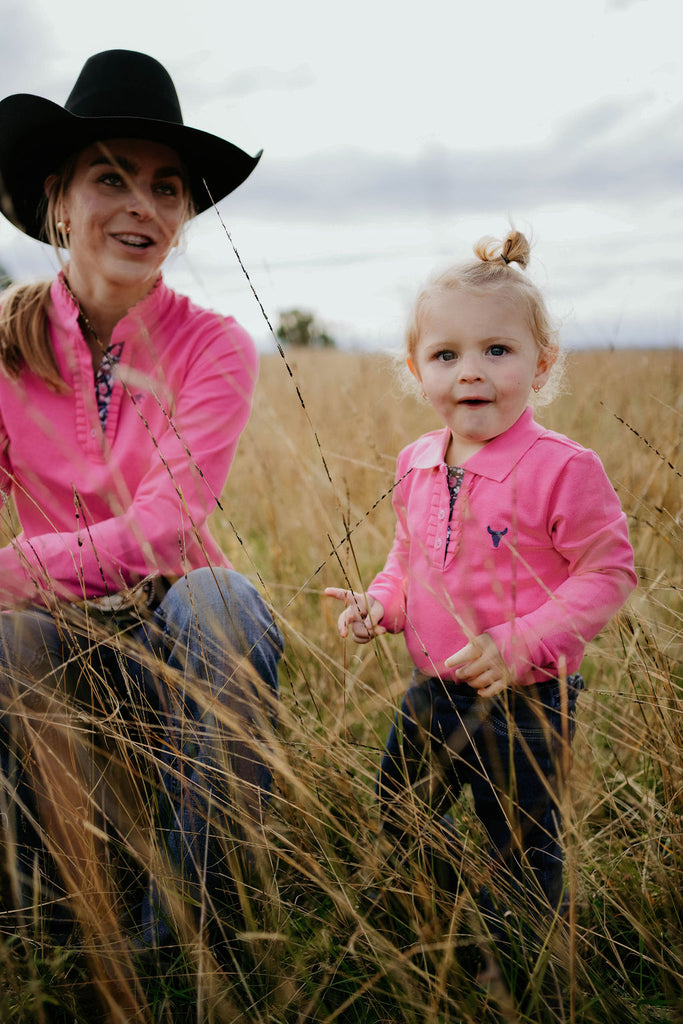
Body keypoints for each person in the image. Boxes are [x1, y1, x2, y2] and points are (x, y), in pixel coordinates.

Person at [0, 49, 282, 1015]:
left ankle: (205, 919)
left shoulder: (215, 346)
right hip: (54, 636)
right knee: (12, 637)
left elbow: (164, 533)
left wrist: (8, 567)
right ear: (58, 200)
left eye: (166, 187)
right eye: (110, 176)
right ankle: (42, 904)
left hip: (171, 631)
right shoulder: (3, 345)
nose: (142, 206)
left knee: (222, 599)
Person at [326, 230, 636, 985]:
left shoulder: (562, 468)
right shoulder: (417, 461)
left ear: (541, 363)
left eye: (497, 351)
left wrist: (522, 640)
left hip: (527, 697)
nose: (472, 372)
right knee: (400, 807)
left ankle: (529, 965)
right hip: (433, 688)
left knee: (521, 836)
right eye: (446, 355)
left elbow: (608, 571)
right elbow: (411, 557)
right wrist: (378, 605)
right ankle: (440, 933)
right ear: (416, 369)